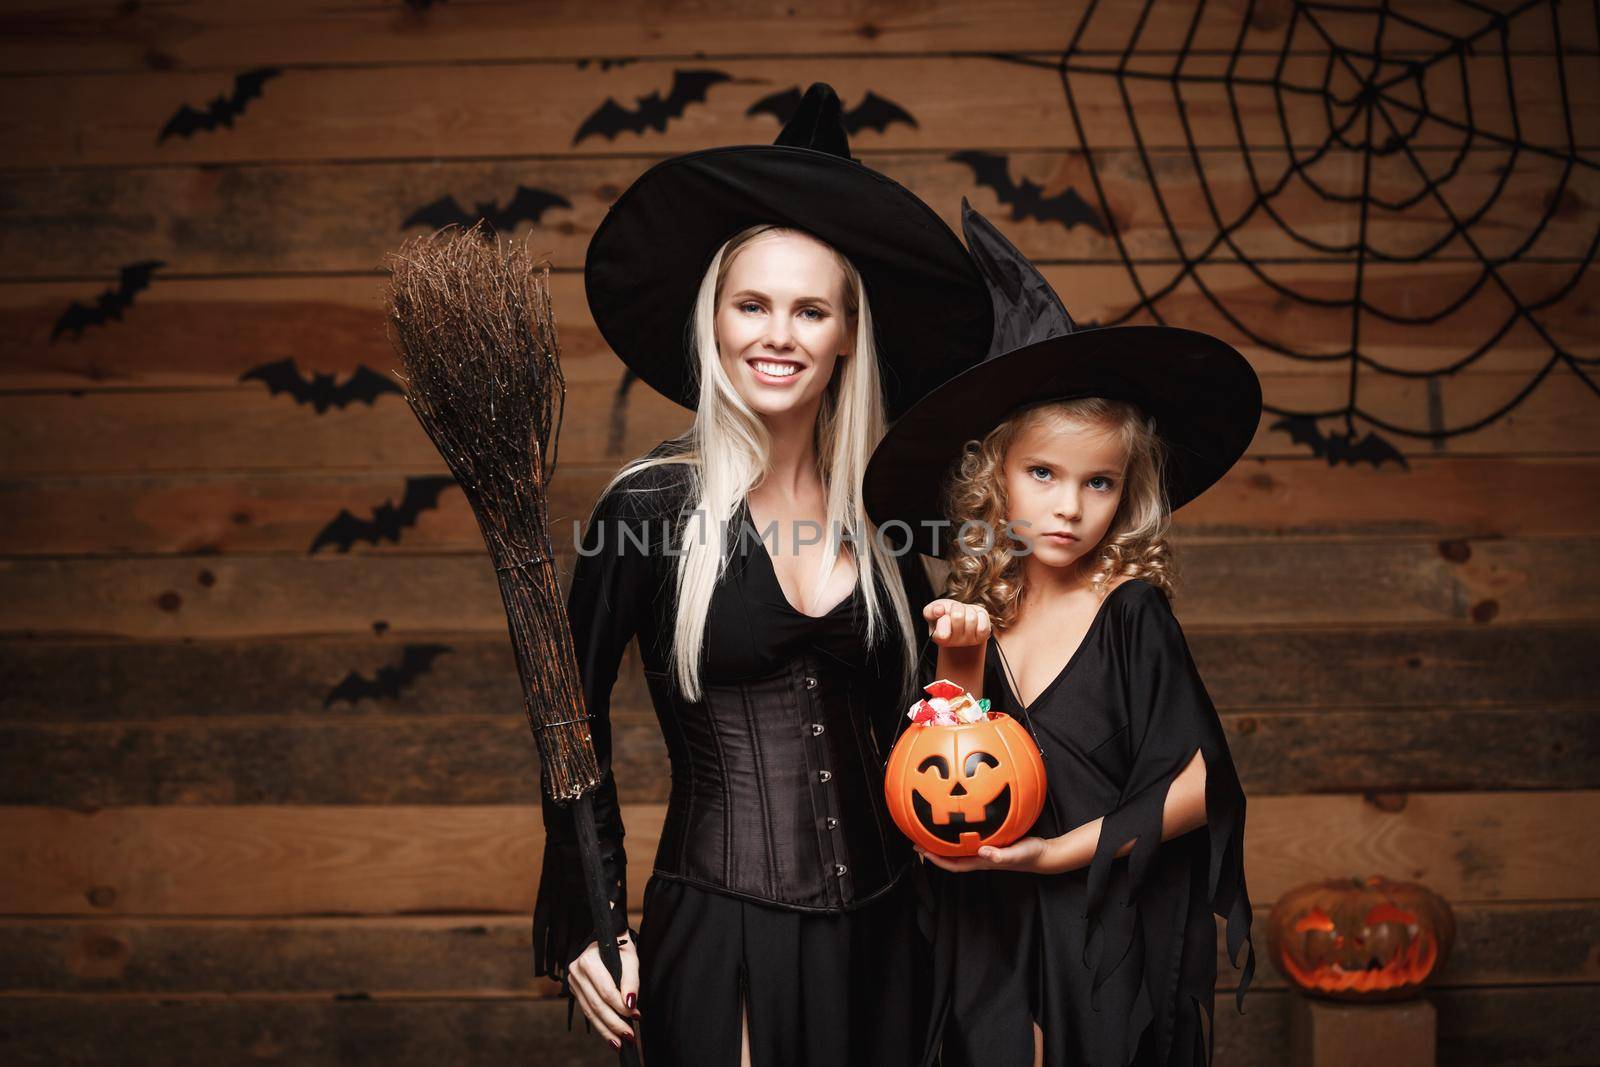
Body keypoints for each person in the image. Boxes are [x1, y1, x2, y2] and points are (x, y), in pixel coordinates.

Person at [532, 85, 994, 1065]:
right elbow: (563, 715)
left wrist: (965, 671)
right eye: (752, 302)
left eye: (808, 308)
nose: (776, 333)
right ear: (716, 316)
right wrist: (590, 913)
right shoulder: (651, 511)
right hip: (725, 924)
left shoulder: (883, 526)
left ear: (845, 336)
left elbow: (933, 739)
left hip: (887, 935)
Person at [861, 201, 1261, 1066]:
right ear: (993, 475)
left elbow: (1198, 785)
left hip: (1098, 923)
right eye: (1043, 472)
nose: (1070, 506)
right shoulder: (984, 604)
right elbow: (951, 771)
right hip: (991, 932)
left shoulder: (1130, 611)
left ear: (1128, 491)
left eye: (1100, 482)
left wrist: (1052, 857)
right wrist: (959, 656)